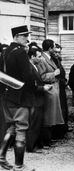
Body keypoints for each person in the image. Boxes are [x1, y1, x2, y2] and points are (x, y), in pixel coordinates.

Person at [0, 25, 36, 171]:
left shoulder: (6, 51)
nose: (27, 39)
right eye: (24, 36)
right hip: (21, 96)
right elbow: (28, 76)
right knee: (21, 129)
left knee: (12, 127)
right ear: (16, 37)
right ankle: (19, 166)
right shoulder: (20, 52)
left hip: (8, 96)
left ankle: (1, 157)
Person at [36, 39, 64, 147]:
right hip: (48, 90)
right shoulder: (42, 59)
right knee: (48, 116)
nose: (55, 49)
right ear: (50, 48)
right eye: (53, 47)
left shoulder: (50, 58)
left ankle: (49, 139)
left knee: (51, 116)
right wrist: (54, 73)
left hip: (53, 90)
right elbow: (42, 76)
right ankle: (45, 141)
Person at [26, 44, 52, 153]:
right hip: (34, 100)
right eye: (39, 57)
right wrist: (43, 88)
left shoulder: (34, 66)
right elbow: (29, 87)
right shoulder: (28, 68)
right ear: (32, 57)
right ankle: (32, 147)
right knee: (34, 124)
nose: (41, 59)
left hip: (38, 99)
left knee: (38, 123)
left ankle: (38, 145)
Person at [51, 43, 68, 139]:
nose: (58, 54)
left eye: (59, 52)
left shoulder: (58, 61)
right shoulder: (52, 62)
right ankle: (58, 132)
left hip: (61, 87)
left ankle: (63, 129)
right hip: (56, 87)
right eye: (56, 52)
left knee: (63, 107)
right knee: (59, 108)